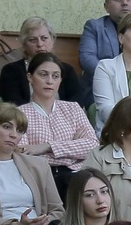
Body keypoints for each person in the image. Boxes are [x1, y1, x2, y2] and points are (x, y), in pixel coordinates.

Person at [19, 53, 99, 187]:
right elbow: (24, 154)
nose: (50, 81)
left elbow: (92, 146)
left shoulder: (73, 108)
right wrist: (73, 150)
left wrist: (46, 147)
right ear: (30, 77)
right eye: (43, 75)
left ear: (61, 80)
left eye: (55, 76)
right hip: (39, 178)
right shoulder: (19, 113)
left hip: (75, 176)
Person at [0, 18, 88, 110]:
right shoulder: (11, 71)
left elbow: (77, 102)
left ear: (52, 40)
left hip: (63, 117)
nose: (40, 44)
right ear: (24, 44)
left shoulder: (67, 70)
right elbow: (14, 105)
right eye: (33, 40)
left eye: (44, 38)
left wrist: (55, 116)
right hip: (24, 118)